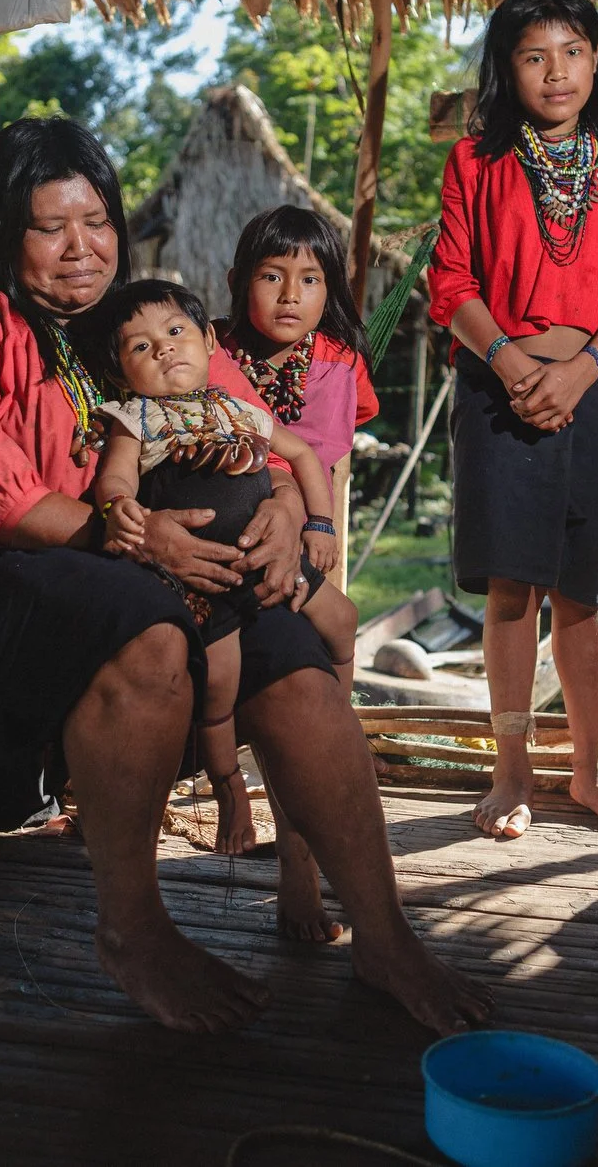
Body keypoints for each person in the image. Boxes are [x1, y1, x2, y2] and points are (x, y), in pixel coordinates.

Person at [0, 116, 493, 1036]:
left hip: (165, 565)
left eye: (97, 221)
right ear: (5, 234)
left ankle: (384, 933)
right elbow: (0, 502)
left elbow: (260, 435)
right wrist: (138, 542)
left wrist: (291, 516)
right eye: (51, 228)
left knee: (292, 656)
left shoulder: (143, 324)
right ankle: (134, 931)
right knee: (144, 620)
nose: (81, 248)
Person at [429, 0, 598, 841]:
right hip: (500, 391)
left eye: (572, 52)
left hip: (595, 388)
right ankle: (512, 772)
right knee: (509, 590)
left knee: (581, 592)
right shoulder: (475, 164)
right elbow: (451, 283)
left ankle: (590, 770)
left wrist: (580, 371)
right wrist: (510, 359)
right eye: (534, 55)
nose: (555, 71)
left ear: (597, 62)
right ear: (508, 68)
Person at [94, 277, 357, 856]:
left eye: (174, 331)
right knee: (218, 695)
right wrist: (120, 507)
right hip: (207, 585)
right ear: (120, 373)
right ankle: (227, 788)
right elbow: (115, 475)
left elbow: (303, 455)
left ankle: (342, 726)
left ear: (209, 340)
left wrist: (317, 524)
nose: (162, 348)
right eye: (139, 346)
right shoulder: (135, 418)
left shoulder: (239, 409)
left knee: (342, 617)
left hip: (272, 562)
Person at [218, 205, 378, 941]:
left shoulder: (337, 364)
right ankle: (241, 801)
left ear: (330, 288)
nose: (290, 295)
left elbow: (325, 466)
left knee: (330, 647)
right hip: (228, 536)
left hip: (301, 543)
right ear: (239, 283)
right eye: (272, 275)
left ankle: (299, 858)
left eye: (310, 279)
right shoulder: (212, 350)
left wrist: (317, 533)